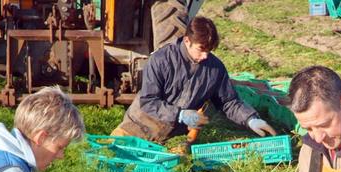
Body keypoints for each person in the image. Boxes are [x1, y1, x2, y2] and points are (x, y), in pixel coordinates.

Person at [111, 16, 276, 143]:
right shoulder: (161, 60)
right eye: (201, 49)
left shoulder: (215, 68)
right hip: (137, 127)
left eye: (209, 50)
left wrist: (250, 119)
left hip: (173, 138)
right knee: (106, 160)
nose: (205, 56)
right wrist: (180, 114)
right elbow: (149, 101)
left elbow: (228, 102)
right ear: (187, 40)